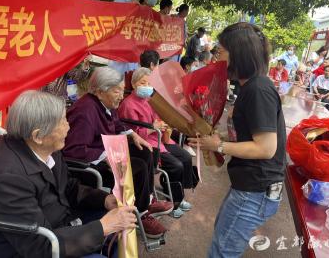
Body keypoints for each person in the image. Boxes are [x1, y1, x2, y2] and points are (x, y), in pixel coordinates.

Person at [0, 91, 137, 258]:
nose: (68, 126)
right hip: (24, 248)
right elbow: (39, 246)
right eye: (62, 121)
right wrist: (103, 227)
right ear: (38, 135)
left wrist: (104, 199)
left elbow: (68, 186)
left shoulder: (47, 148)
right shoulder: (8, 177)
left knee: (125, 225)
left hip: (58, 223)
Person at [187, 22, 286, 257]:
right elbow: (250, 134)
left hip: (255, 190)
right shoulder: (250, 87)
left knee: (223, 251)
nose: (216, 57)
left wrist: (218, 145)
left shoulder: (258, 90)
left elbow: (265, 148)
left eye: (220, 52)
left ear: (238, 54)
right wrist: (219, 136)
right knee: (222, 242)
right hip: (249, 187)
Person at [62, 67, 172, 238]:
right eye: (117, 91)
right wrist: (105, 156)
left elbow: (117, 123)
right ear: (99, 91)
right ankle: (142, 213)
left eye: (122, 89)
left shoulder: (105, 103)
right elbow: (74, 150)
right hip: (92, 167)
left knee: (145, 150)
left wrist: (133, 134)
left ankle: (147, 199)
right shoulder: (85, 111)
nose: (122, 96)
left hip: (108, 150)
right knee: (139, 165)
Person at [119, 68, 195, 218]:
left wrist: (164, 124)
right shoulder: (128, 105)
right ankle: (174, 203)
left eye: (149, 83)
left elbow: (157, 119)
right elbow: (131, 133)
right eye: (143, 83)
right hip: (146, 144)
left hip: (159, 139)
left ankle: (179, 196)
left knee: (186, 157)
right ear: (134, 84)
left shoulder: (148, 101)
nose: (147, 86)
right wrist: (154, 128)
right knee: (176, 165)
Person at [110, 0, 141, 75]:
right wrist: (131, 8)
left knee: (128, 73)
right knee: (117, 75)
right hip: (121, 42)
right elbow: (118, 18)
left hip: (129, 41)